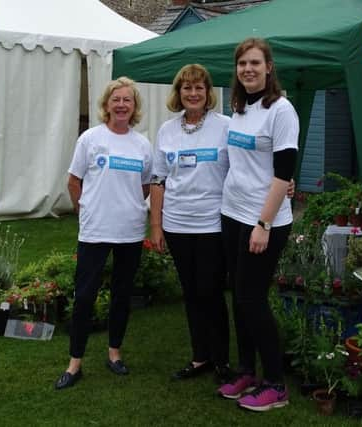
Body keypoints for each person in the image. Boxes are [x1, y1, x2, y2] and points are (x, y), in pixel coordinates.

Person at [217, 38, 299, 412]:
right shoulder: (240, 108)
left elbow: (283, 175)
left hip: (262, 221)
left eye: (254, 63)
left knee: (253, 299)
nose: (247, 69)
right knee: (240, 296)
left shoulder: (281, 111)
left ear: (269, 67)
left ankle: (276, 384)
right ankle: (247, 370)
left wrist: (263, 223)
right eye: (241, 64)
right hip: (233, 214)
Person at [55, 77, 153, 390]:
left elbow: (146, 185)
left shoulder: (142, 144)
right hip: (95, 231)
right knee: (84, 297)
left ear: (135, 106)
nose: (122, 104)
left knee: (122, 296)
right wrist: (85, 210)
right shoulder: (90, 139)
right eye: (116, 99)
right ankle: (75, 363)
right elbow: (74, 181)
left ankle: (114, 353)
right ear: (106, 105)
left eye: (128, 100)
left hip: (130, 231)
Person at [149, 64, 232, 384]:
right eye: (187, 88)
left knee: (210, 291)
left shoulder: (225, 126)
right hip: (177, 224)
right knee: (191, 293)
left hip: (212, 223)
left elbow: (247, 164)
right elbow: (158, 180)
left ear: (208, 93)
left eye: (199, 88)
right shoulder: (166, 130)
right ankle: (200, 357)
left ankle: (222, 359)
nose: (193, 93)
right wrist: (156, 226)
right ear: (178, 93)